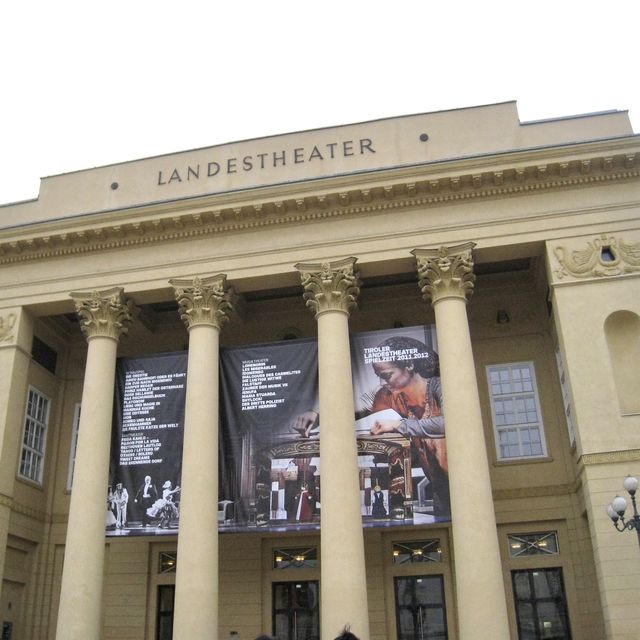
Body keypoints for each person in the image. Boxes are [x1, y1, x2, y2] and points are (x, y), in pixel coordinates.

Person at [368, 336, 450, 518]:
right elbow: (363, 416)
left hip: (464, 489)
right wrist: (315, 414)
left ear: (409, 365)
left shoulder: (440, 387)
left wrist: (400, 425)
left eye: (387, 375)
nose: (382, 383)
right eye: (379, 377)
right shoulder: (392, 398)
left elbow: (452, 422)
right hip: (440, 493)